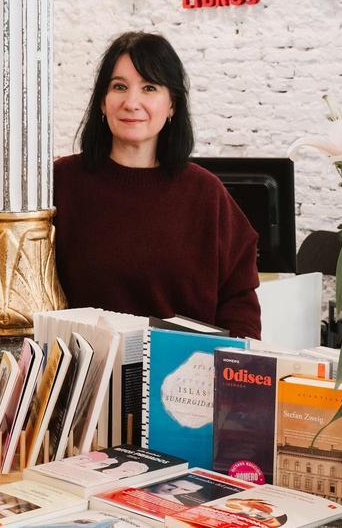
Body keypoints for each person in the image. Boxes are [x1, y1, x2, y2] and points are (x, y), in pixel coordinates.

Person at [54, 32, 262, 339]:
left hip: (185, 376)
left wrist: (235, 374)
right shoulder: (62, 182)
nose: (131, 102)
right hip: (88, 377)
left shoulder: (207, 194)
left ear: (172, 105)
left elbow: (239, 302)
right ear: (102, 100)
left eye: (149, 87)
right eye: (119, 87)